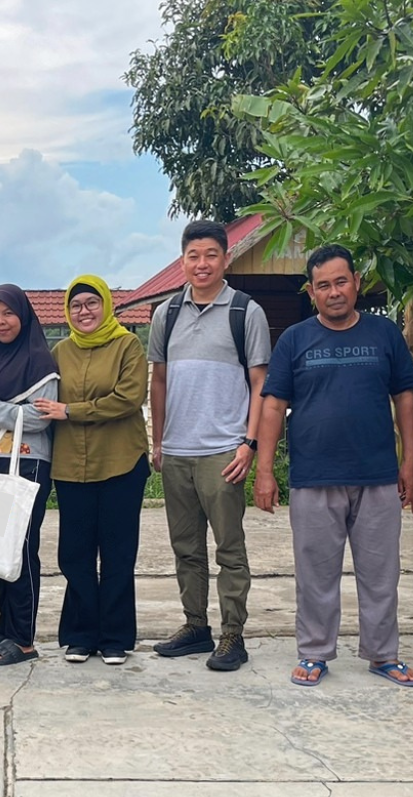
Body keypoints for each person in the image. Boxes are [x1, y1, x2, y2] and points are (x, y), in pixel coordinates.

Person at [254, 244, 413, 688]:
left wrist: (411, 462)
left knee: (382, 573)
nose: (334, 292)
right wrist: (265, 470)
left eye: (341, 282)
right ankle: (314, 653)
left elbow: (405, 397)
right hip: (315, 476)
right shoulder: (295, 339)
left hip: (378, 476)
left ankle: (383, 654)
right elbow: (273, 406)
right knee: (315, 574)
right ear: (312, 292)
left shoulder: (384, 334)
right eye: (323, 285)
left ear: (357, 283)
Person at [148, 220, 272, 671]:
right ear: (183, 261)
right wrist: (158, 441)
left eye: (211, 255)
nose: (202, 264)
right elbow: (159, 380)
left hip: (224, 452)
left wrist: (249, 444)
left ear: (226, 258)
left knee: (229, 549)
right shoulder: (166, 314)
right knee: (186, 548)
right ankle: (195, 626)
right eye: (193, 256)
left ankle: (232, 635)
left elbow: (260, 384)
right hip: (177, 450)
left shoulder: (245, 312)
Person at [34, 275, 150, 665]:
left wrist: (71, 411)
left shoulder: (127, 345)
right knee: (75, 554)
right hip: (71, 466)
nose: (84, 311)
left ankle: (115, 638)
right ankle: (81, 635)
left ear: (106, 306)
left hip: (121, 462)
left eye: (91, 303)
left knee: (118, 553)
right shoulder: (60, 351)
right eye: (76, 305)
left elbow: (129, 398)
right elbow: (42, 398)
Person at [0, 284, 59, 666]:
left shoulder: (39, 361)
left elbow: (41, 416)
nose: (0, 322)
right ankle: (6, 627)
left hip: (27, 464)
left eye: (8, 313)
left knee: (19, 548)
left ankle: (23, 639)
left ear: (23, 316)